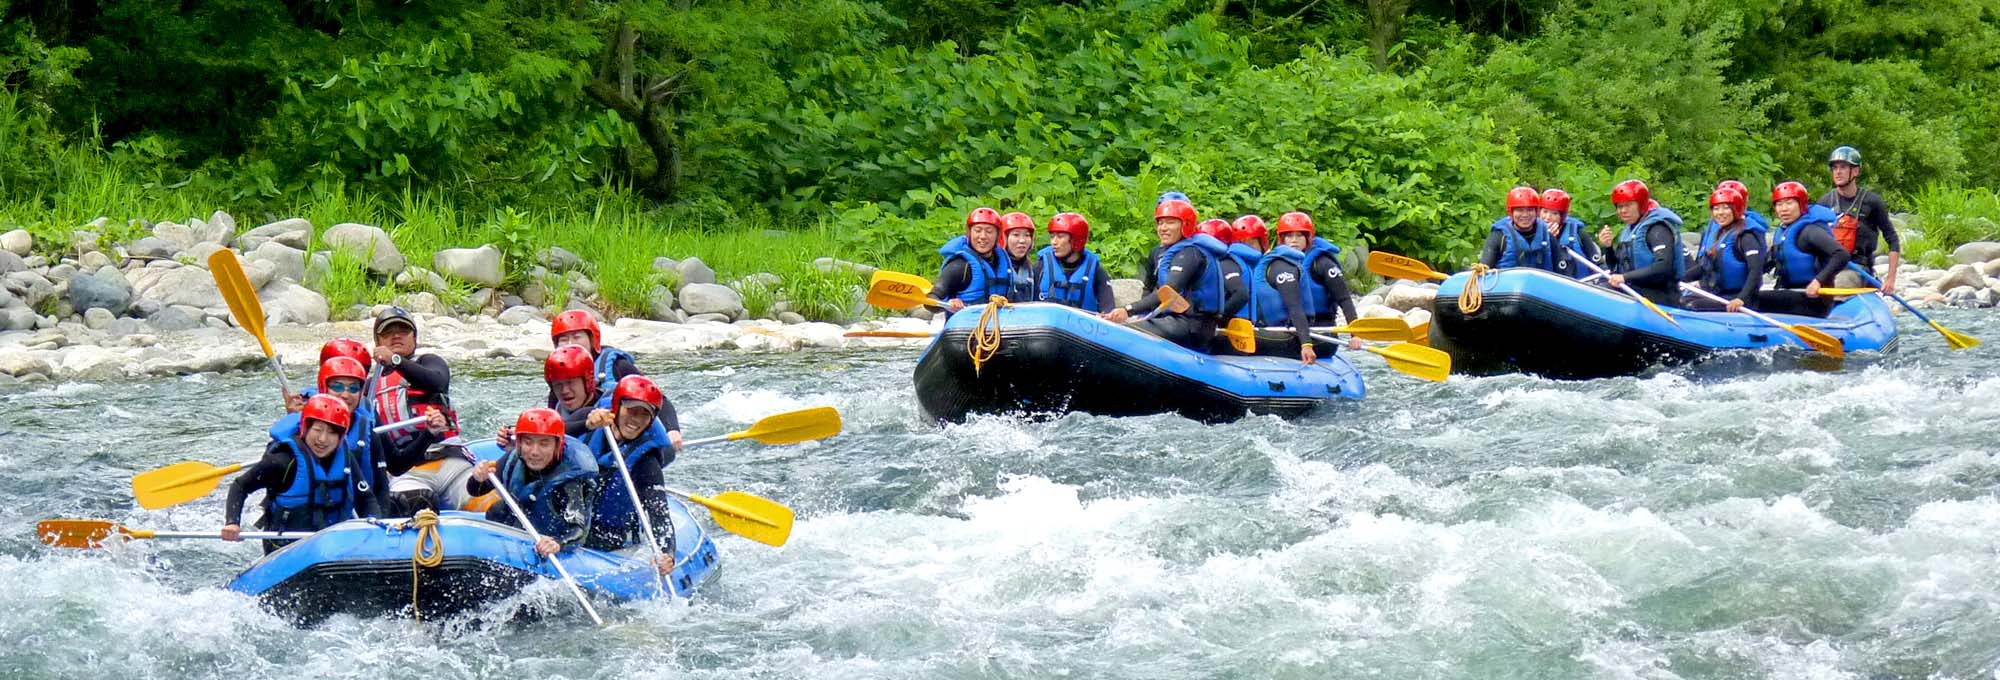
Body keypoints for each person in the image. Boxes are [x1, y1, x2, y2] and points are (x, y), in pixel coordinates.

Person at [222, 394, 372, 553]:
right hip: (286, 549)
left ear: (341, 437)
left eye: (332, 433)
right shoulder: (283, 461)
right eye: (318, 430)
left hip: (334, 546)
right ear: (305, 428)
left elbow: (366, 498)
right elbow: (240, 486)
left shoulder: (345, 460)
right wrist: (232, 522)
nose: (323, 439)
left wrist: (375, 525)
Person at [1099, 197, 1242, 350]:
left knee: (1125, 332)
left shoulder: (1190, 253)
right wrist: (1138, 314)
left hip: (1191, 326)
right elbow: (1152, 290)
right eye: (1160, 223)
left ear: (1185, 225)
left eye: (1170, 222)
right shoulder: (1174, 252)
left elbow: (1168, 291)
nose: (1163, 228)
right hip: (1180, 322)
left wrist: (1127, 310)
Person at [370, 306, 471, 514]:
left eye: (403, 331)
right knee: (415, 503)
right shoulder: (368, 388)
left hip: (450, 461)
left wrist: (395, 360)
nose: (396, 335)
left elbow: (437, 382)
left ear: (414, 338)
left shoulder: (430, 362)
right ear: (378, 342)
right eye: (388, 332)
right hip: (408, 471)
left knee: (490, 504)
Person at [467, 408, 600, 558]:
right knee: (498, 510)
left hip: (558, 535)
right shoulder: (513, 461)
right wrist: (478, 478)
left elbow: (577, 530)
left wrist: (558, 542)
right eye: (528, 443)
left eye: (544, 444)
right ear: (519, 443)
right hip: (527, 526)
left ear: (557, 446)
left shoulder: (569, 481)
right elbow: (475, 491)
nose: (534, 452)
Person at [580, 376, 680, 568]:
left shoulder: (646, 462)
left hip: (611, 540)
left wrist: (666, 552)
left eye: (644, 414)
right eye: (631, 410)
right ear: (616, 407)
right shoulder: (591, 422)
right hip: (570, 526)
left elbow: (659, 513)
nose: (636, 419)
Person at [1246, 212, 1363, 365]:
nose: (1294, 240)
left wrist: (1355, 334)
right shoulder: (1280, 263)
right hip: (1290, 330)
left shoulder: (1322, 263)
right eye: (1289, 236)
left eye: (1299, 236)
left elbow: (1345, 299)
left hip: (1320, 332)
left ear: (1308, 238)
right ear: (1282, 239)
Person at [1817, 145, 1901, 292]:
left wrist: (1890, 279)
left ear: (1855, 171)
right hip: (1828, 267)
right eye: (1835, 168)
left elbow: (1892, 240)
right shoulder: (1825, 202)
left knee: (1841, 282)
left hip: (1857, 268)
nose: (1838, 172)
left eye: (1843, 167)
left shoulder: (1872, 202)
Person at [1762, 181, 1851, 318]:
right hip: (1791, 294)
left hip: (1813, 300)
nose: (1784, 209)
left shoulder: (1810, 231)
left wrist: (1818, 281)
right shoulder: (1782, 232)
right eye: (1779, 204)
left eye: (1789, 203)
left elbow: (1841, 254)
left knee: (1754, 300)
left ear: (1801, 205)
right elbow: (1765, 264)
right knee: (1748, 297)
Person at [1596, 179, 1686, 306]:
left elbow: (1663, 267)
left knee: (1607, 291)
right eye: (1620, 206)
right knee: (1600, 287)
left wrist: (1625, 278)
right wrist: (1608, 247)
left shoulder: (1657, 229)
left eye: (1628, 205)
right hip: (1636, 289)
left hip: (1662, 294)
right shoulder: (1630, 231)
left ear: (1641, 205)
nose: (1623, 211)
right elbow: (1615, 268)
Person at [1682, 186, 1767, 312]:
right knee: (1681, 299)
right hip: (1721, 294)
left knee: (1692, 306)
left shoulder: (1746, 236)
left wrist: (1741, 299)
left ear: (1737, 209)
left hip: (1740, 298)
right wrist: (1677, 279)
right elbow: (1704, 267)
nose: (1720, 213)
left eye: (1726, 208)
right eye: (1716, 209)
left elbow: (1755, 270)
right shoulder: (1721, 233)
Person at [930, 207, 1012, 314]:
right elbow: (931, 300)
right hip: (966, 326)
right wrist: (948, 305)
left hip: (1000, 325)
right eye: (977, 231)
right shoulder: (959, 266)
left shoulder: (1004, 263)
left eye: (989, 231)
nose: (983, 236)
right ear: (969, 233)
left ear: (998, 236)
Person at [549, 309, 639, 401]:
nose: (571, 343)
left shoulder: (619, 366)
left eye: (577, 337)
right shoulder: (557, 376)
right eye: (564, 339)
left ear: (592, 339)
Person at [1035, 212, 1115, 312]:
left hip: (1081, 326)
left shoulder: (1095, 270)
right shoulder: (1041, 265)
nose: (1053, 242)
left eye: (1060, 237)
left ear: (1076, 240)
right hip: (1047, 325)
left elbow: (1108, 308)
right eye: (1052, 237)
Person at [1479, 187, 1553, 271]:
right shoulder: (1498, 236)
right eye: (1520, 210)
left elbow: (1560, 270)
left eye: (1530, 210)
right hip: (1507, 283)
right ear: (1511, 212)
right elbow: (1484, 269)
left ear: (1536, 212)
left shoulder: (1546, 232)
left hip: (1540, 283)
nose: (1525, 215)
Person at [1198, 219, 1256, 319]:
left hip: (1235, 325)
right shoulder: (1228, 261)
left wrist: (1218, 317)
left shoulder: (1226, 263)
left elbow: (1241, 294)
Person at [1539, 189, 1599, 279]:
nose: (1547, 217)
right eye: (1545, 212)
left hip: (1579, 284)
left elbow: (1598, 262)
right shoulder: (1533, 234)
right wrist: (1548, 239)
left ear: (1562, 216)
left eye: (1554, 213)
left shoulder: (1579, 233)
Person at [999, 211, 1040, 302]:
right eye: (1016, 235)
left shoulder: (1034, 270)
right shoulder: (994, 267)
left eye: (1027, 235)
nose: (1022, 240)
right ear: (1003, 238)